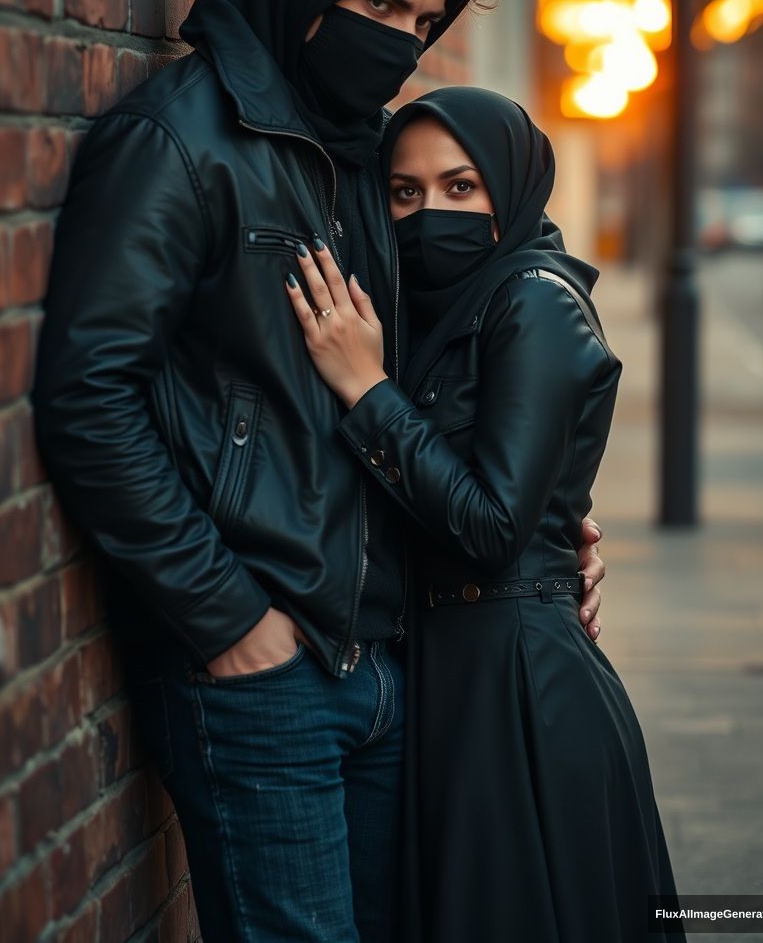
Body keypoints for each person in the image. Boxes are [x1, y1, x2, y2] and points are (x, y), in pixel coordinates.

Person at [32, 0, 606, 943]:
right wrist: (229, 620)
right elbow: (87, 398)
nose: (397, 38)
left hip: (385, 665)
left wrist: (541, 518)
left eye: (421, 20)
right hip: (262, 671)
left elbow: (409, 383)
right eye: (378, 2)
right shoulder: (179, 143)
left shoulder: (359, 161)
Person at [285, 86, 687, 943]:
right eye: (406, 192)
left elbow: (492, 526)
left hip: (517, 690)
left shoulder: (532, 300)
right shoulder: (431, 312)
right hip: (448, 675)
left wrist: (367, 390)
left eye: (461, 187)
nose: (431, 212)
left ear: (511, 186)